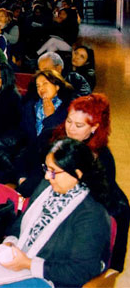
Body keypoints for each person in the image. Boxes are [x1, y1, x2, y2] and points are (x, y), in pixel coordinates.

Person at [0, 139, 111, 288]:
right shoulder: (46, 187)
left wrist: (28, 263)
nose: (47, 176)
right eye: (47, 169)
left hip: (52, 278)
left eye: (54, 172)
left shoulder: (91, 214)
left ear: (77, 174)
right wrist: (9, 245)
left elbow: (81, 271)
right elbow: (18, 227)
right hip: (23, 264)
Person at [39, 94, 129, 271]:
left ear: (95, 127)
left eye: (79, 125)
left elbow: (93, 200)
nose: (71, 129)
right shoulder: (57, 138)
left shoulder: (101, 158)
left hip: (103, 206)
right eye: (69, 121)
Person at [15, 70, 76, 195]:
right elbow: (23, 135)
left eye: (45, 83)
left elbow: (58, 138)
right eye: (38, 86)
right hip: (28, 154)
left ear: (57, 86)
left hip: (51, 157)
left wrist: (50, 117)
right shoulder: (31, 106)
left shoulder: (68, 109)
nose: (41, 88)